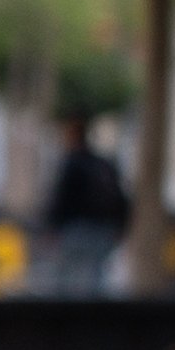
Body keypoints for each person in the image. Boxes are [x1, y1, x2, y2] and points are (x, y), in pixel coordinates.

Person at [36, 105, 133, 293]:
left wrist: (50, 228)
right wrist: (120, 228)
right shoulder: (103, 163)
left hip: (75, 233)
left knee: (66, 286)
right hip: (103, 233)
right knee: (95, 283)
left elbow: (61, 200)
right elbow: (123, 199)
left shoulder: (72, 163)